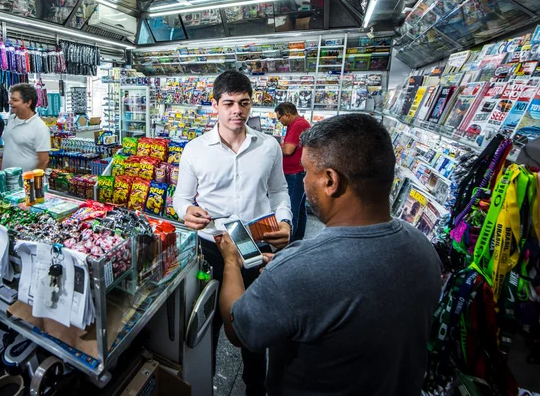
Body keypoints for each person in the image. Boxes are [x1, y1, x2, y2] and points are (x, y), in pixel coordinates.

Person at [216, 113, 442, 396]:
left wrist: (231, 261)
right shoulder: (423, 249)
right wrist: (288, 270)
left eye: (307, 171)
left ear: (331, 180)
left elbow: (238, 330)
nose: (304, 179)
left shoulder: (300, 271)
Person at [174, 70, 292, 396]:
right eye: (228, 103)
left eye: (243, 103)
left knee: (255, 324)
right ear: (215, 105)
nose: (236, 110)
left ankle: (256, 388)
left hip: (258, 245)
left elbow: (279, 191)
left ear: (251, 105)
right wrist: (185, 211)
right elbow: (181, 198)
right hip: (211, 247)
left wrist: (286, 222)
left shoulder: (268, 147)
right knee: (208, 322)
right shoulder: (195, 150)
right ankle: (204, 383)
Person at [275, 102, 311, 241]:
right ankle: (297, 240)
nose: (280, 122)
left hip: (294, 174)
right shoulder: (297, 124)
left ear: (287, 114)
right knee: (300, 209)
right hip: (298, 172)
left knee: (291, 210)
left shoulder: (297, 125)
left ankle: (290, 245)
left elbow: (288, 150)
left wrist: (273, 147)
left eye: (280, 118)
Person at [1, 83, 50, 172]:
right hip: (7, 178)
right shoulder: (11, 119)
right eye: (10, 99)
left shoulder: (39, 127)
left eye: (15, 100)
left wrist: (32, 182)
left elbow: (43, 161)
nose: (10, 102)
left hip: (26, 182)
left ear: (28, 103)